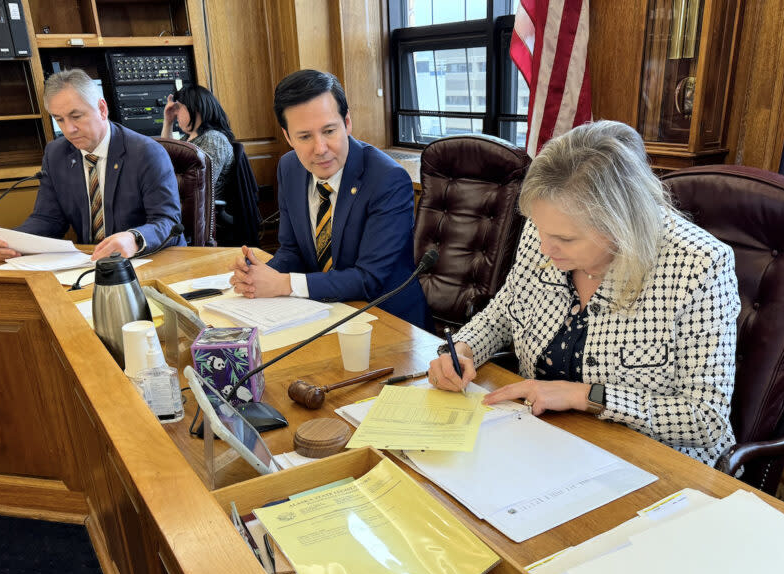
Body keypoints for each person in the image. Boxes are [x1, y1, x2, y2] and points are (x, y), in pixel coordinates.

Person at [428, 120, 739, 466]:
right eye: (541, 231)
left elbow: (705, 419)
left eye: (565, 239)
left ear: (621, 225)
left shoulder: (698, 266)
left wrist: (585, 396)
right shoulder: (547, 226)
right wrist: (460, 350)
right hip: (544, 444)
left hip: (651, 463)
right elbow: (502, 314)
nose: (545, 247)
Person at [229, 69, 427, 328]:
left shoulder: (387, 179)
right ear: (288, 137)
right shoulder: (289, 168)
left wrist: (284, 283)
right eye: (304, 137)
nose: (320, 149)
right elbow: (292, 250)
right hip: (322, 312)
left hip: (386, 321)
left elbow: (369, 279)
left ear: (347, 123)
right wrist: (256, 274)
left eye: (329, 131)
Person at [0, 69, 183, 261]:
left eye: (76, 116)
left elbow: (168, 222)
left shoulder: (146, 152)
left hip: (147, 259)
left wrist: (135, 238)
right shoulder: (56, 154)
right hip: (89, 263)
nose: (69, 129)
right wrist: (12, 241)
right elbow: (48, 219)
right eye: (59, 120)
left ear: (102, 109)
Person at [162, 84, 235, 198]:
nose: (175, 113)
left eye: (178, 108)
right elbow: (165, 157)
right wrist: (168, 122)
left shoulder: (214, 140)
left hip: (202, 211)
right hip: (185, 204)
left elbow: (199, 185)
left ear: (195, 108)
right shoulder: (187, 139)